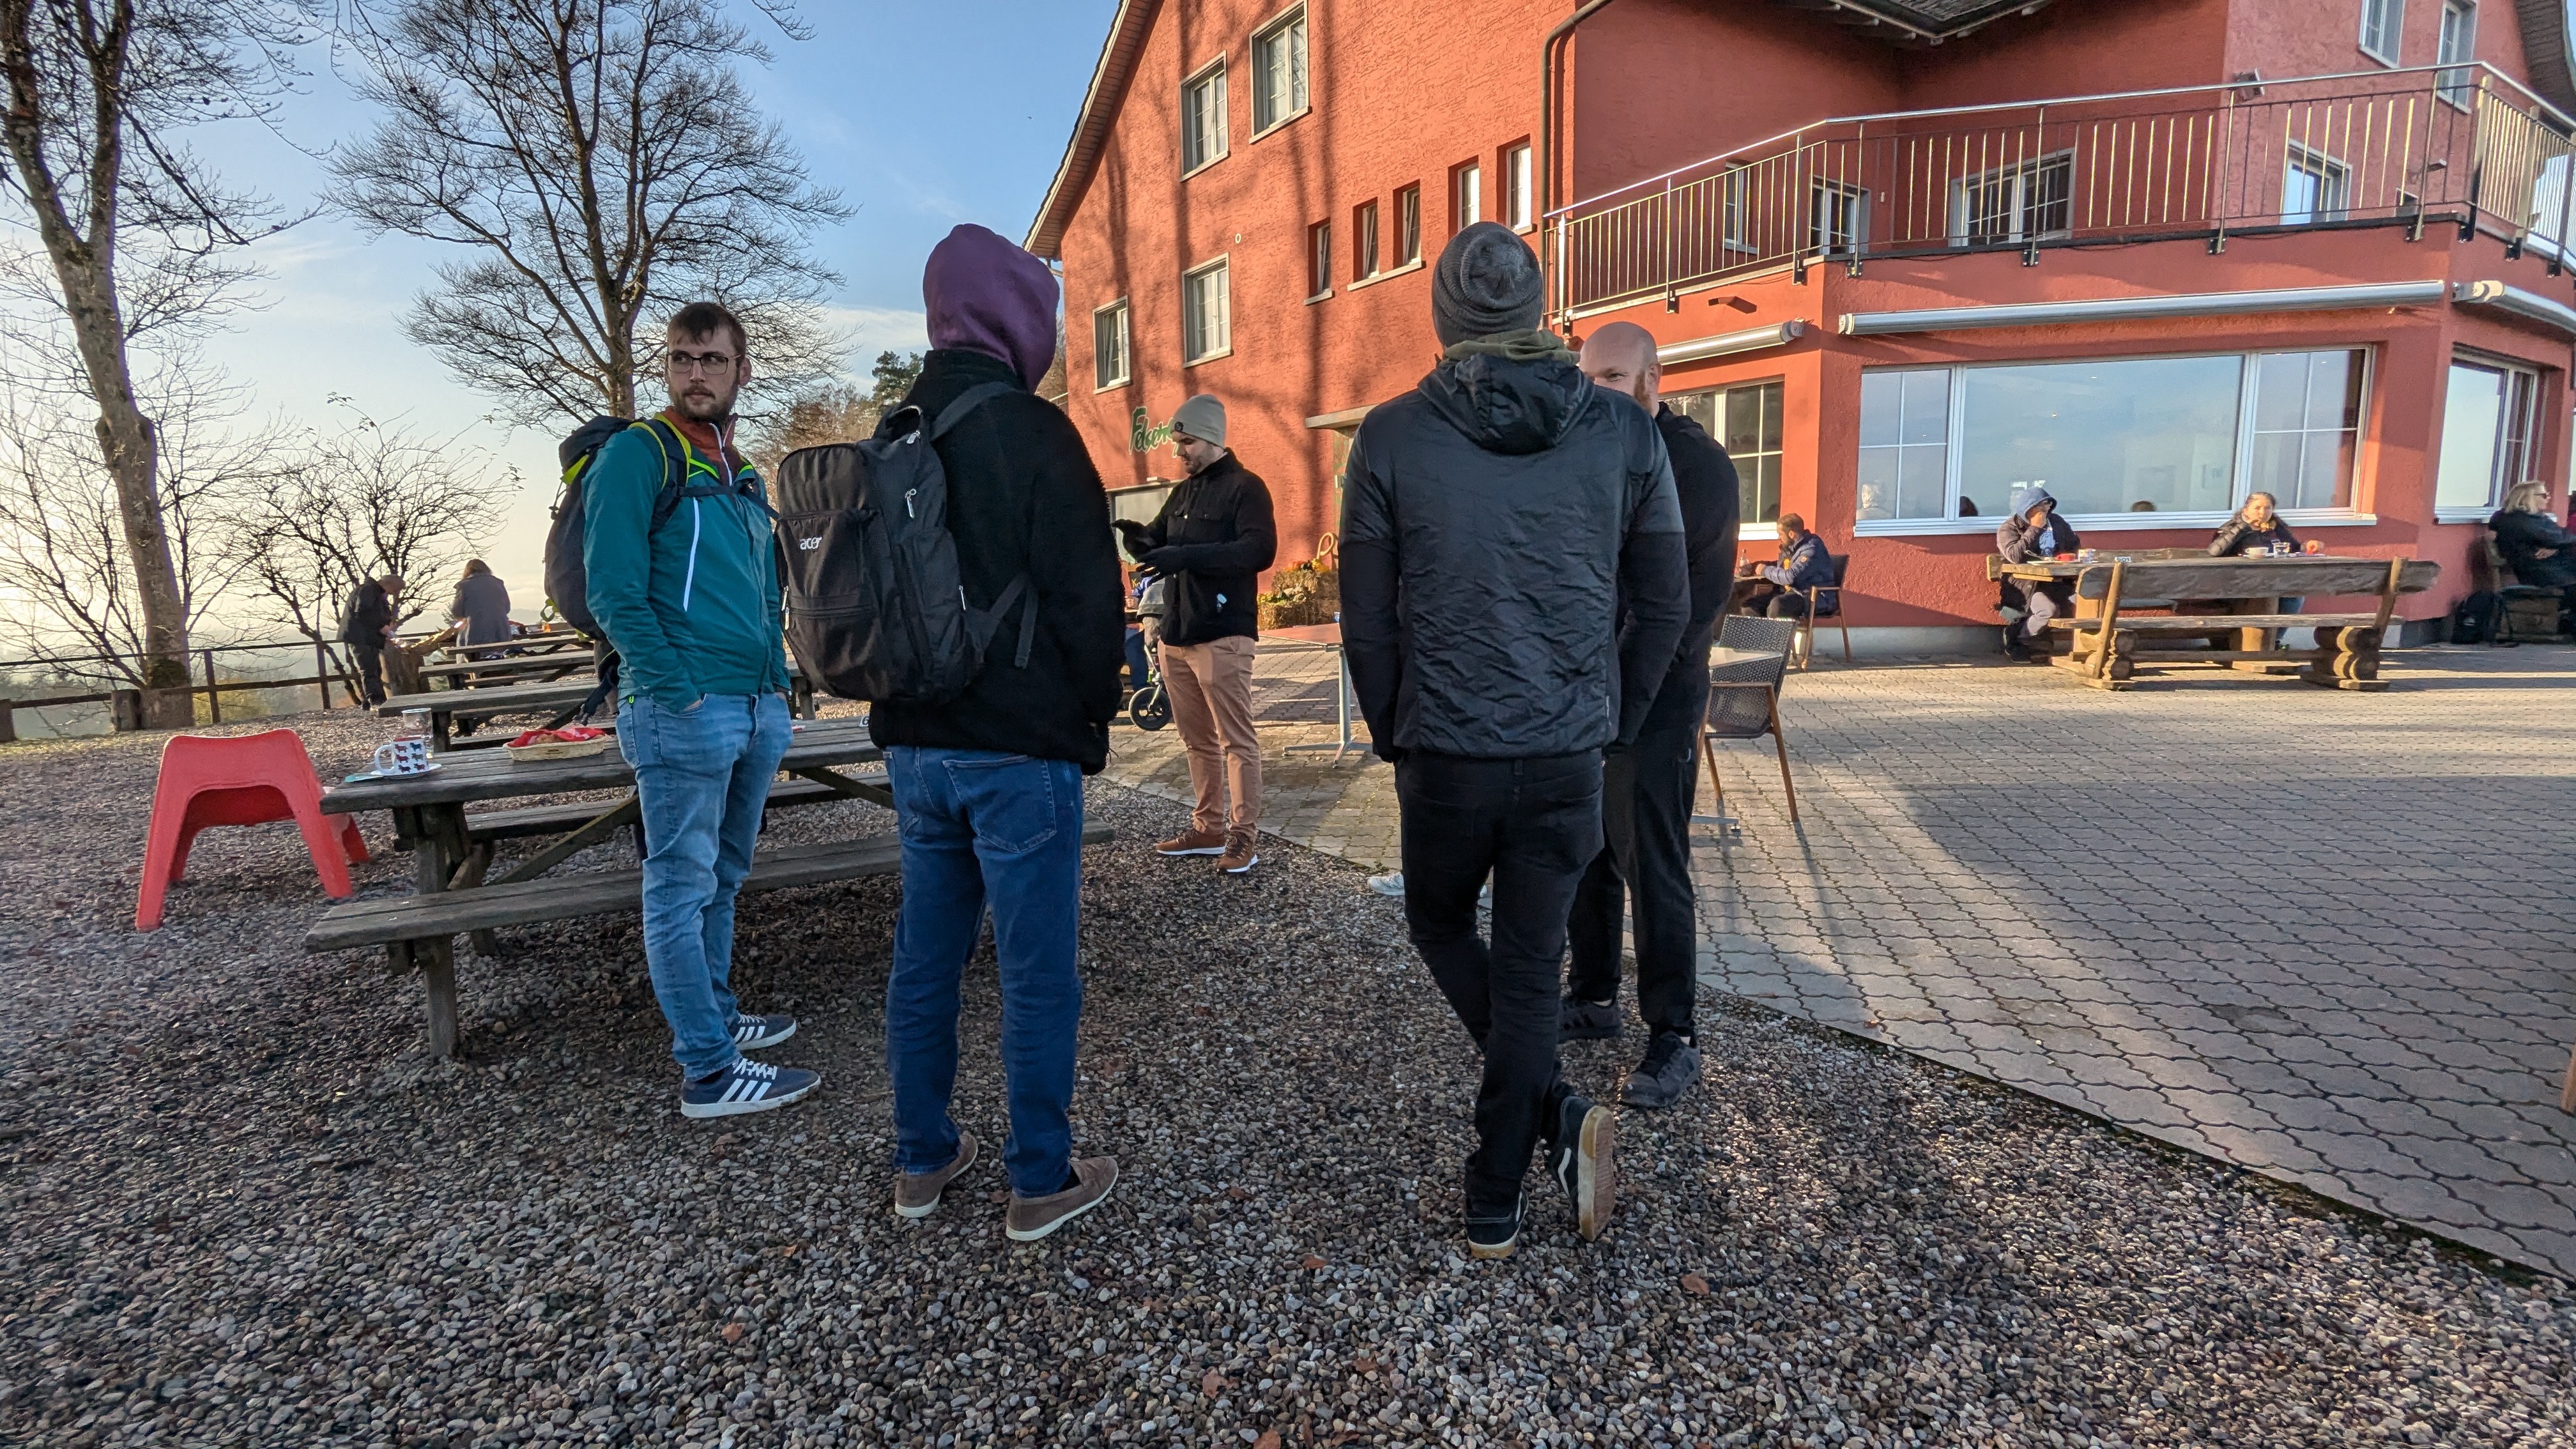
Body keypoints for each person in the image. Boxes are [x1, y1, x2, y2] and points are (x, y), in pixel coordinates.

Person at [1341, 221, 1689, 1260]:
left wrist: (1396, 730)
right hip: (1563, 760)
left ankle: (1541, 1133)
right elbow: (1663, 605)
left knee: (1441, 924)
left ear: (1443, 317)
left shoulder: (1391, 434)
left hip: (1444, 750)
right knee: (1532, 971)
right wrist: (1611, 721)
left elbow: (1366, 617)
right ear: (1539, 312)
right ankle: (1498, 1186)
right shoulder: (1625, 435)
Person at [868, 224, 1129, 1241]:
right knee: (1034, 972)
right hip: (1019, 750)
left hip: (915, 749)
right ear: (1019, 316)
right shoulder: (1035, 431)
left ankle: (922, 1162)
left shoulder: (894, 431)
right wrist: (1091, 722)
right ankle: (1038, 1176)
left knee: (924, 961)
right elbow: (1087, 604)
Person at [584, 300, 817, 1120]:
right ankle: (709, 1072)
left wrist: (777, 690)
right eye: (683, 358)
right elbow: (611, 589)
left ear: (742, 370)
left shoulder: (740, 468)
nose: (696, 373)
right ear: (667, 366)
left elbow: (762, 591)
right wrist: (674, 687)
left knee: (723, 876)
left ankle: (718, 1017)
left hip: (754, 702)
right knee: (678, 886)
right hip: (685, 705)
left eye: (713, 360)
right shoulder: (638, 454)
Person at [1560, 322, 1739, 1110]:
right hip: (1587, 695)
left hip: (1658, 698)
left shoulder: (1695, 466)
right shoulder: (1593, 452)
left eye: (1613, 375)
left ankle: (1675, 1034)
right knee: (1587, 853)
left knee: (1652, 863)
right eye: (1587, 375)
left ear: (1652, 382)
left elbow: (1684, 613)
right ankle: (1595, 998)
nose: (1595, 388)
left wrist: (1623, 714)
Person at [1117, 394, 1277, 873]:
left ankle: (1242, 837)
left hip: (1223, 632)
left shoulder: (1247, 488)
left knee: (1236, 741)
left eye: (1185, 442)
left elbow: (1258, 551)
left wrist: (1183, 558)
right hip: (1176, 632)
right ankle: (1207, 829)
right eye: (1177, 442)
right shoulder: (1183, 491)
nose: (1178, 452)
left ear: (1212, 439)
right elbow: (1160, 538)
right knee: (1197, 740)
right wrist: (1137, 538)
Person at [1995, 486, 2080, 660]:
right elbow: (2014, 556)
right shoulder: (2009, 528)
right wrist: (2034, 529)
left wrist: (2069, 556)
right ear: (2028, 508)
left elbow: (2074, 545)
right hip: (2026, 584)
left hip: (2056, 581)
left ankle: (2088, 649)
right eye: (2041, 506)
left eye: (2048, 505)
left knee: (2089, 603)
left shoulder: (2056, 522)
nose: (2045, 510)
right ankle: (2018, 638)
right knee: (2048, 611)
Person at [1738, 514, 1833, 619]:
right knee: (1749, 606)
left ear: (1791, 534)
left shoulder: (1811, 549)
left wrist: (1764, 570)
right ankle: (1759, 635)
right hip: (1790, 593)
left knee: (1777, 605)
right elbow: (1781, 567)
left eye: (1781, 534)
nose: (1779, 538)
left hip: (1810, 596)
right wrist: (1754, 567)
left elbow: (1791, 577)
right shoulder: (1791, 548)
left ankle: (1776, 635)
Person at [2491, 479, 2576, 590]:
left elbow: (2560, 537)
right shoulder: (2522, 521)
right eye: (2544, 495)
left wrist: (2555, 548)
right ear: (2529, 497)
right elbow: (2558, 538)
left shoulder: (2531, 517)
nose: (2548, 498)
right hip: (2542, 571)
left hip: (2548, 567)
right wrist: (2557, 546)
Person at [339, 573, 403, 705]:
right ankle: (375, 700)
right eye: (395, 590)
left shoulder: (374, 592)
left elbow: (375, 613)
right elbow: (363, 612)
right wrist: (382, 626)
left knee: (374, 669)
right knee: (369, 669)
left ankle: (378, 699)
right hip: (361, 637)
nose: (394, 593)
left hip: (367, 637)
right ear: (389, 585)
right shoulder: (368, 590)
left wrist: (388, 622)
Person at [2209, 493, 2301, 557]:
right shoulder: (2231, 527)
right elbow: (2215, 552)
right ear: (2246, 510)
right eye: (2257, 508)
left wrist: (2306, 546)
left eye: (2268, 508)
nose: (2263, 513)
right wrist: (2243, 527)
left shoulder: (2276, 526)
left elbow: (2294, 549)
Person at [447, 559, 514, 648]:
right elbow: (507, 608)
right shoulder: (498, 583)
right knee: (501, 655)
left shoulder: (464, 585)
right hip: (501, 630)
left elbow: (457, 612)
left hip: (475, 632)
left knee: (470, 655)